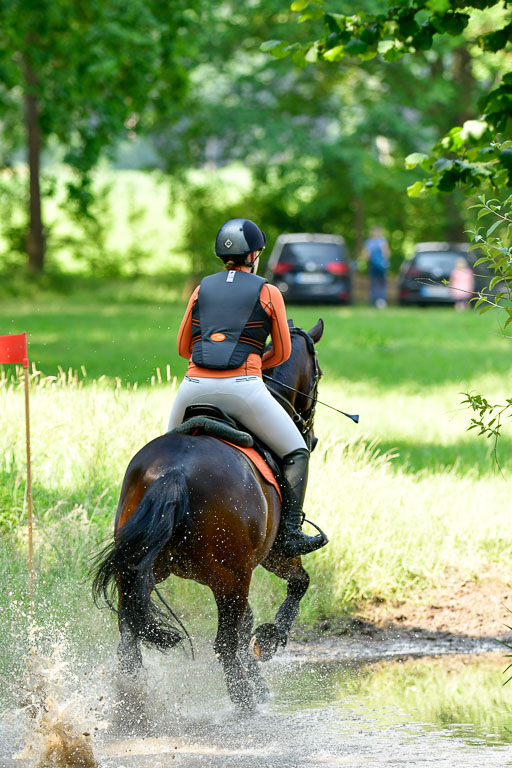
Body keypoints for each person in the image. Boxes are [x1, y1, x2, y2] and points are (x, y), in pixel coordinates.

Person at [167, 218, 328, 558]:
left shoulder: (201, 289)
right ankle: (289, 534)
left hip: (192, 388)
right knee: (297, 450)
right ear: (254, 255)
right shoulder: (268, 292)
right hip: (243, 390)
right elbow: (283, 352)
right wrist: (255, 362)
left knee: (169, 457)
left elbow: (183, 348)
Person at [363, 226, 391, 308]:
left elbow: (386, 253)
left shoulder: (381, 241)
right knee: (374, 283)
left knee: (380, 283)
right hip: (374, 265)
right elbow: (366, 255)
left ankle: (381, 300)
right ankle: (374, 301)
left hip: (380, 265)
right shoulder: (369, 242)